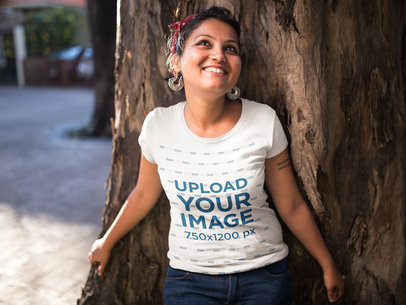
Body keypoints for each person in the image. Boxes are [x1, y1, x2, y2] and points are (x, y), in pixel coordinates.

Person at [88, 6, 344, 304]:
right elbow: (144, 193)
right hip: (189, 282)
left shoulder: (263, 120)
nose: (219, 54)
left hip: (264, 279)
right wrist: (107, 241)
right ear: (176, 62)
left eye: (230, 48)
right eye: (204, 43)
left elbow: (291, 204)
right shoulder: (159, 126)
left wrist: (328, 265)